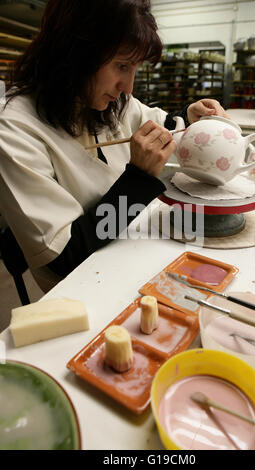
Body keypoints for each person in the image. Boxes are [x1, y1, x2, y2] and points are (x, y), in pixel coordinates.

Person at [0, 0, 228, 292]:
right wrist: (138, 180)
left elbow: (162, 124)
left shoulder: (108, 101)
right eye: (121, 66)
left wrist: (188, 115)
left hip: (128, 247)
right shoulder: (16, 127)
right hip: (83, 285)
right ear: (73, 52)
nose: (128, 86)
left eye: (135, 68)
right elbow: (64, 258)